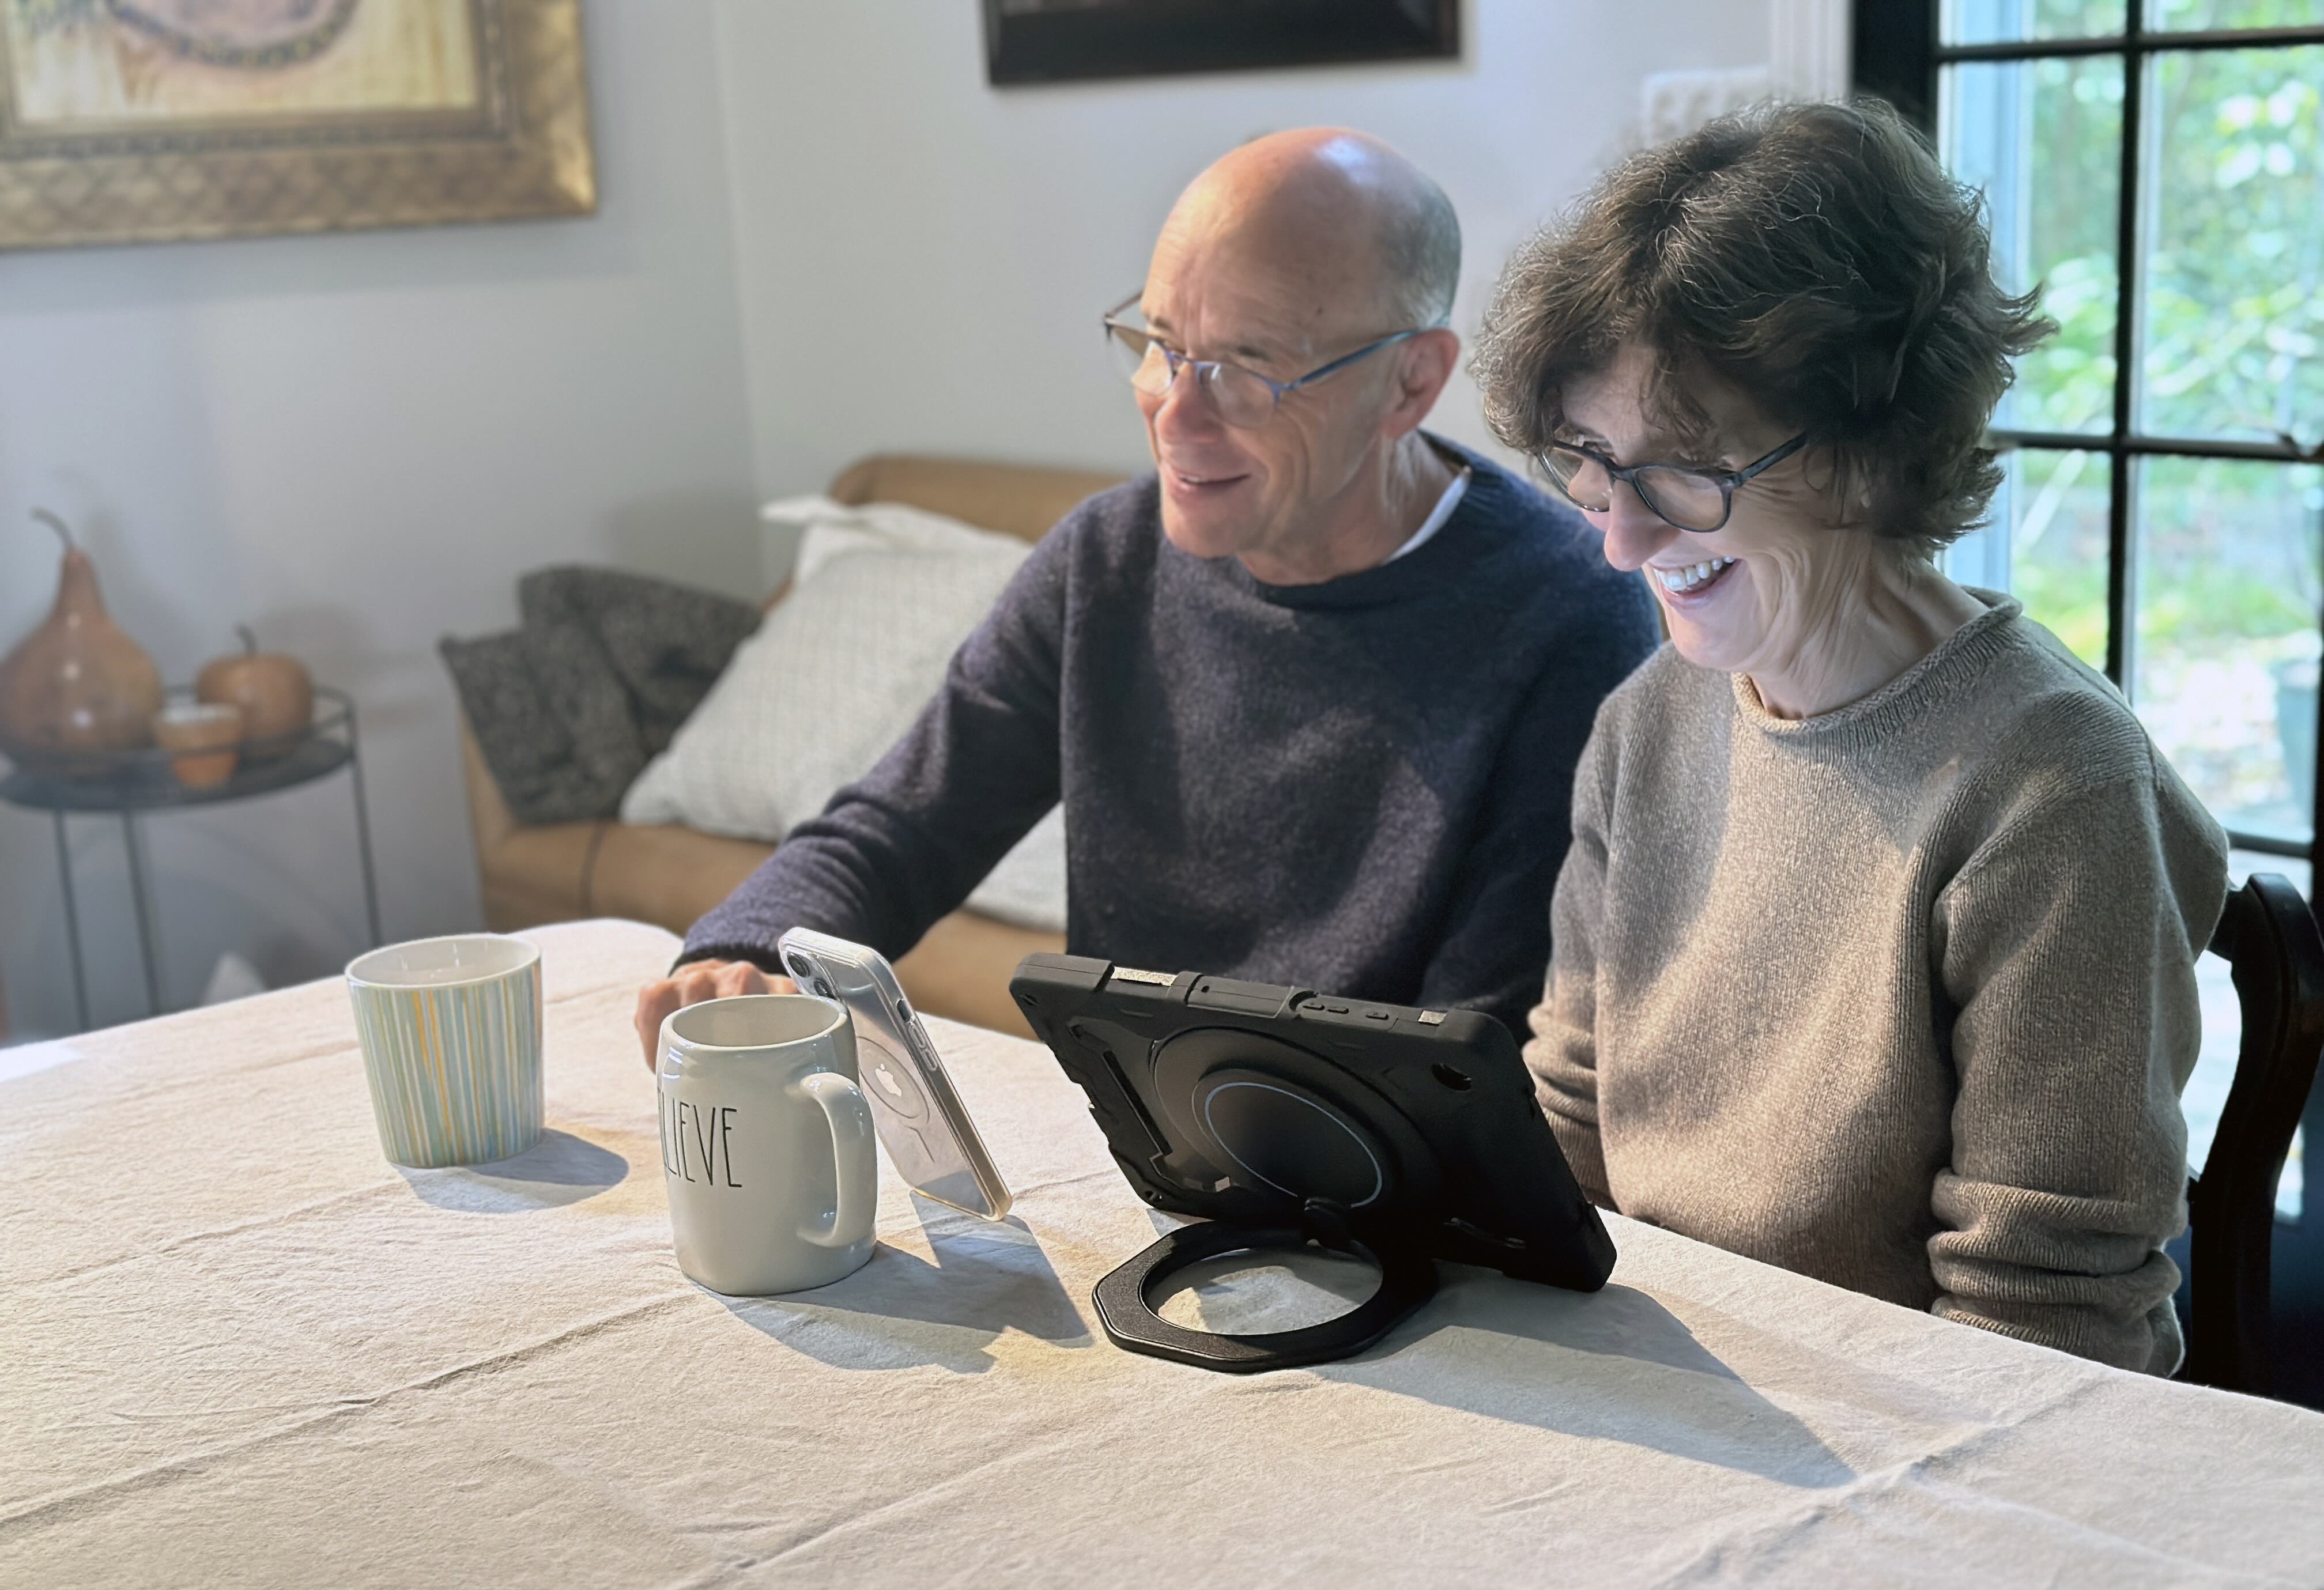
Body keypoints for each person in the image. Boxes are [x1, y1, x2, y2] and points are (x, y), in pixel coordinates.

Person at [1473, 100, 2228, 1376]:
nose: (1622, 538)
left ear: (1873, 449)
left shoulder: (2052, 789)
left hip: (1907, 1428)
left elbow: (2045, 1325)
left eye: (1685, 472)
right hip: (1674, 1376)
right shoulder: (1648, 722)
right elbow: (1573, 1122)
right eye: (1596, 464)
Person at [633, 129, 1658, 1064]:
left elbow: (1478, 1051)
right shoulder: (1106, 561)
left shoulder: (1566, 616)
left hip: (1387, 1193)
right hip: (1139, 1144)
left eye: (1248, 366)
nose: (1177, 411)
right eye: (1162, 343)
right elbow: (903, 828)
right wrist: (746, 955)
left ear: (1409, 383)